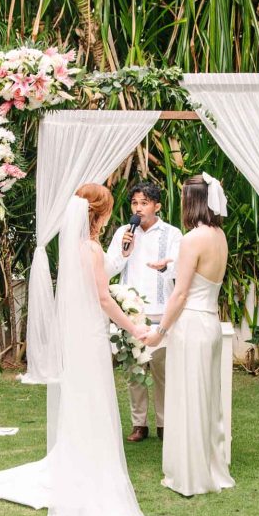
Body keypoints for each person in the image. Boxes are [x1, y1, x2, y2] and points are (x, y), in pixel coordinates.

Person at [47, 184, 176, 516]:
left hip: (80, 333)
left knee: (83, 398)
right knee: (95, 397)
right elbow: (103, 298)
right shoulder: (89, 248)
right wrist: (134, 327)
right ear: (100, 215)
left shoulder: (78, 249)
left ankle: (80, 456)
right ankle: (94, 464)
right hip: (91, 332)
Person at [145, 174, 235, 496]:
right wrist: (172, 261)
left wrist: (160, 331)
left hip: (190, 326)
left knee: (187, 398)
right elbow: (201, 278)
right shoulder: (218, 235)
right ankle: (208, 466)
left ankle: (190, 475)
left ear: (192, 201)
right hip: (209, 321)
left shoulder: (191, 238)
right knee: (205, 399)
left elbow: (180, 294)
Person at [105, 181, 181, 442]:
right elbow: (109, 269)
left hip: (161, 312)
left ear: (157, 206)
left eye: (144, 203)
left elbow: (178, 269)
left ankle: (164, 423)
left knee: (162, 371)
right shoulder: (123, 233)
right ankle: (139, 424)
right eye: (135, 203)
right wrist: (125, 252)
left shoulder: (172, 234)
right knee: (134, 371)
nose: (138, 208)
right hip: (131, 313)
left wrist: (164, 267)